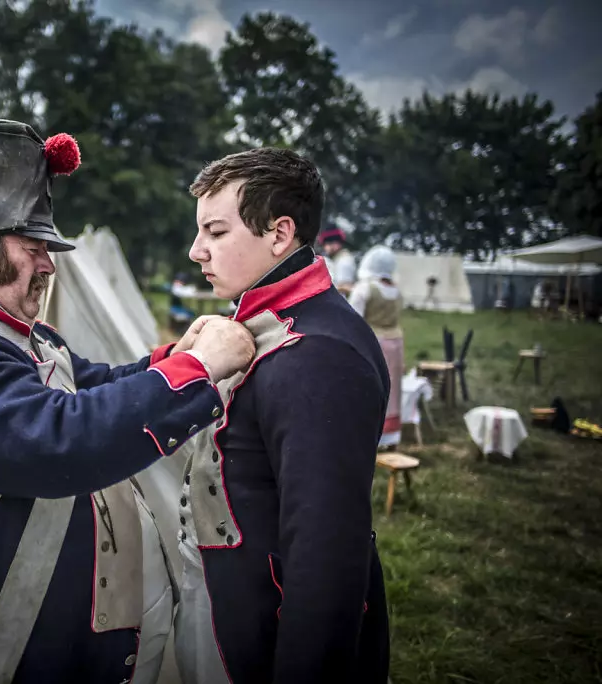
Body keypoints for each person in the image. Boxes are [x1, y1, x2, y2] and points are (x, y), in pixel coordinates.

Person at [0, 119, 256, 684]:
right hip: (14, 655)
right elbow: (62, 439)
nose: (48, 264)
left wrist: (174, 357)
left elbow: (96, 385)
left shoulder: (19, 339)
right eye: (33, 248)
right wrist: (197, 371)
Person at [171, 147, 391, 684]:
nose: (196, 251)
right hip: (227, 603)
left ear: (279, 233)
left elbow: (325, 558)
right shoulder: (277, 320)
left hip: (262, 632)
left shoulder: (319, 356)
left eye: (216, 232)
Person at [349, 246, 405, 449]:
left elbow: (353, 319)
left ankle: (369, 434)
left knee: (370, 387)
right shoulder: (396, 290)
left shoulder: (364, 288)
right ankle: (391, 436)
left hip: (373, 343)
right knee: (393, 388)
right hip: (396, 343)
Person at [317, 227, 356, 294]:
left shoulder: (344, 261)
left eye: (328, 243)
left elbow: (344, 288)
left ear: (337, 244)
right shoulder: (337, 259)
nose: (326, 247)